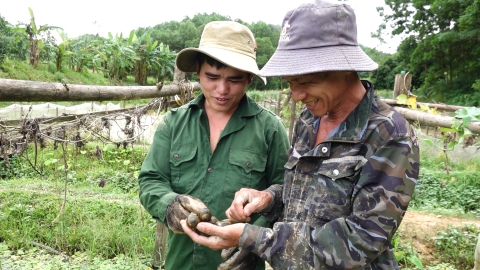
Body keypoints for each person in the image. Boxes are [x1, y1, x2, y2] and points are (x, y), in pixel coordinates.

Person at [180, 1, 420, 269]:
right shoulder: (309, 121)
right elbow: (304, 196)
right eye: (291, 83)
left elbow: (360, 241)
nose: (296, 95)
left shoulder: (388, 134)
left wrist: (253, 237)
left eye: (305, 82)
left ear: (344, 68)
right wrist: (269, 198)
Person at [138, 20, 290, 270]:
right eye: (212, 77)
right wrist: (170, 205)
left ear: (250, 79)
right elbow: (151, 180)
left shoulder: (270, 129)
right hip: (182, 262)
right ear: (198, 71)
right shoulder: (174, 123)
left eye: (235, 80)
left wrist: (253, 238)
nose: (222, 89)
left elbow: (286, 191)